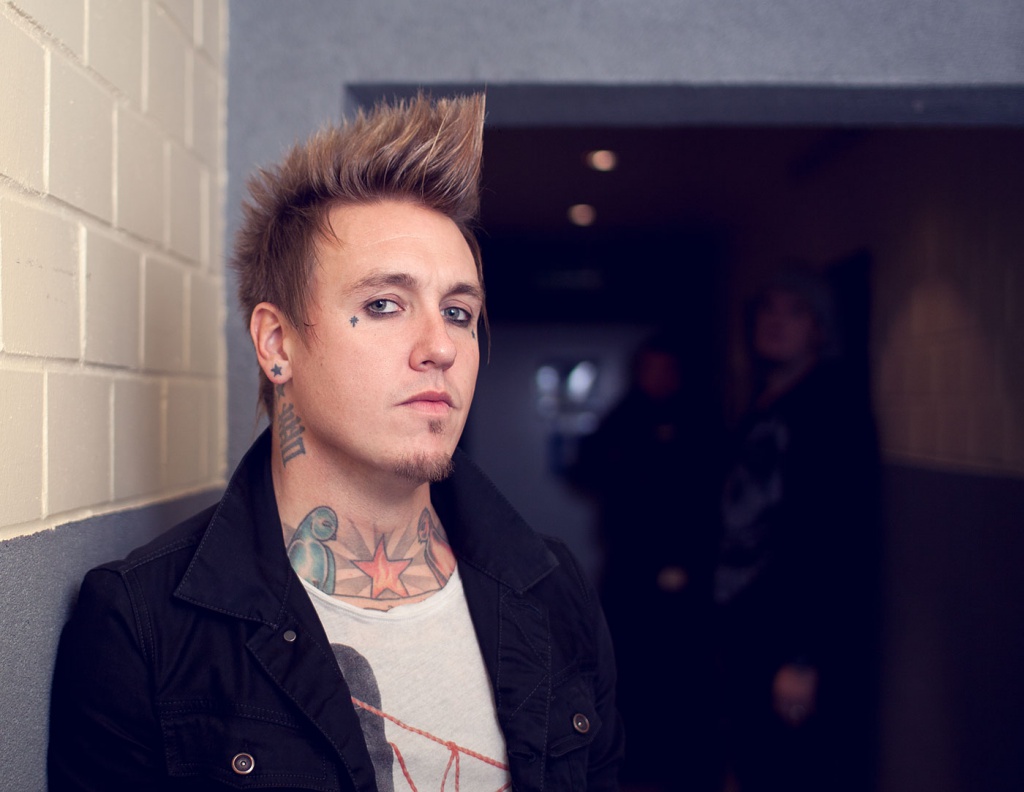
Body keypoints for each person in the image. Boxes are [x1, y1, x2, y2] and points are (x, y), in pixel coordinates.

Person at [48, 94, 624, 791]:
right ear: (276, 343)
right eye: (383, 304)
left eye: (458, 312)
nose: (441, 346)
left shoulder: (553, 590)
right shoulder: (143, 625)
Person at [713, 271, 879, 792]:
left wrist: (802, 656)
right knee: (751, 758)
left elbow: (833, 538)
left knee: (788, 767)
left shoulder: (830, 406)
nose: (775, 321)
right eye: (768, 308)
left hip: (788, 630)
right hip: (745, 617)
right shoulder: (765, 401)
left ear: (819, 329)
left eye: (794, 311)